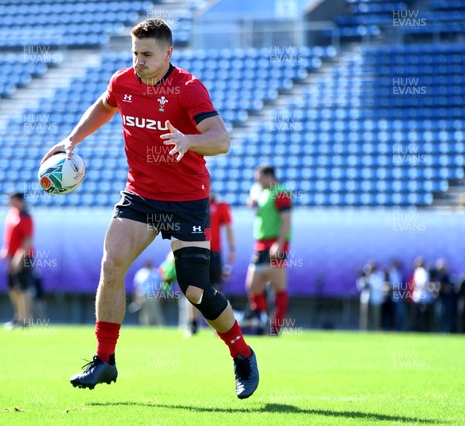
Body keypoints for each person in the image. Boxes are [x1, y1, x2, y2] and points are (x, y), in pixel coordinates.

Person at [41, 18, 258, 399]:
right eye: (134, 53)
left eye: (147, 55)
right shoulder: (123, 81)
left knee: (195, 290)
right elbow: (105, 106)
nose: (138, 61)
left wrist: (189, 140)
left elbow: (221, 140)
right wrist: (71, 139)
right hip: (141, 195)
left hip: (187, 199)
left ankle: (241, 354)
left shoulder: (188, 88)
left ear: (168, 53)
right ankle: (104, 359)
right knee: (112, 264)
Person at [243, 166, 291, 336]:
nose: (257, 181)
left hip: (275, 242)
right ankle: (262, 319)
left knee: (278, 286)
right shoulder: (260, 192)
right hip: (260, 244)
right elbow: (260, 213)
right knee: (252, 284)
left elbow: (286, 221)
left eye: (259, 177)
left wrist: (279, 243)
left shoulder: (281, 192)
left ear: (269, 177)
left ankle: (275, 327)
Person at [186, 192, 235, 336]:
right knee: (192, 288)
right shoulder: (192, 202)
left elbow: (228, 228)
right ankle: (193, 325)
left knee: (216, 289)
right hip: (195, 250)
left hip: (213, 253)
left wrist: (232, 248)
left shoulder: (221, 205)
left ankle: (220, 325)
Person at [0, 192, 34, 329]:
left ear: (18, 200)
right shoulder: (12, 214)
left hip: (23, 257)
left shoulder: (26, 216)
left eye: (11, 199)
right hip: (12, 256)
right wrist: (5, 250)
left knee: (23, 288)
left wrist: (19, 257)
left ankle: (25, 319)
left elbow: (27, 239)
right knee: (13, 288)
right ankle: (18, 316)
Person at [132, 260, 165, 326]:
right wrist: (136, 298)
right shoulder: (141, 273)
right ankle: (145, 326)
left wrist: (160, 295)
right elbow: (137, 287)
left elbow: (160, 286)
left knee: (156, 311)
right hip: (143, 295)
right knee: (145, 312)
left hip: (153, 295)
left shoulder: (156, 272)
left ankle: (159, 325)